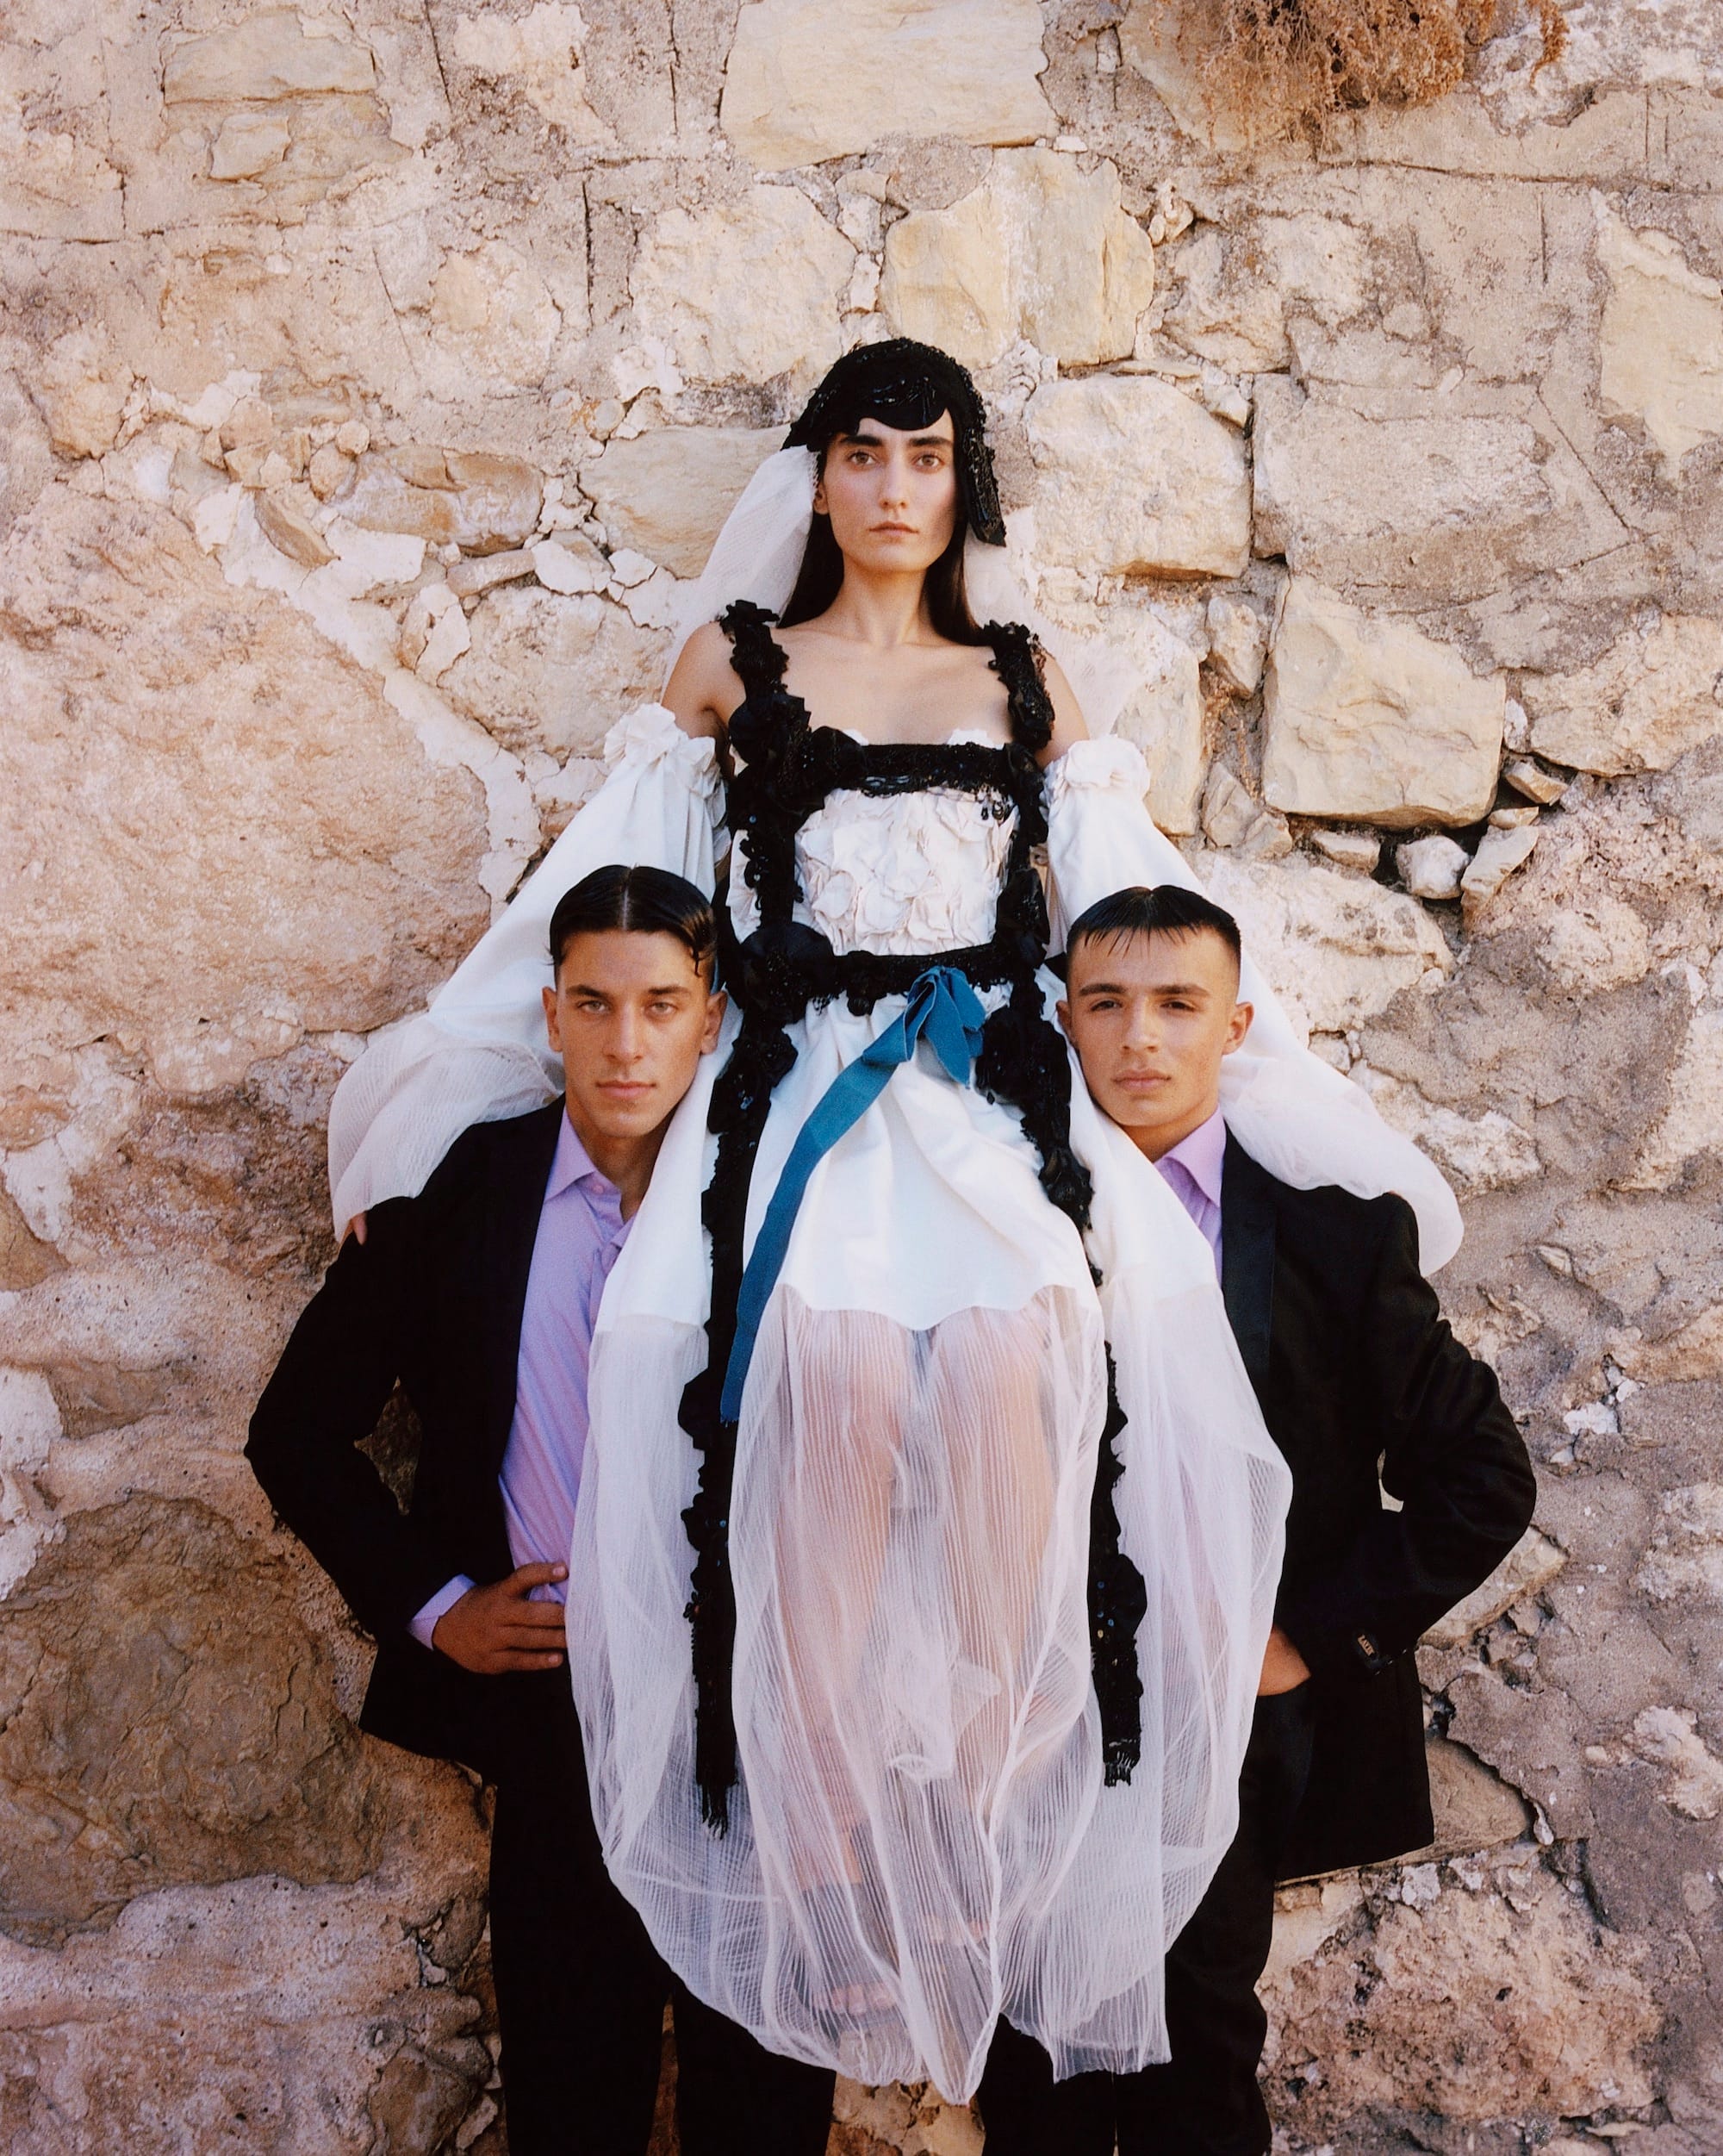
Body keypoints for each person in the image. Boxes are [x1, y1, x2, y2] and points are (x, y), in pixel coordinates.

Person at [320, 338, 1466, 2100]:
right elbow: (614, 897)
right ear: (820, 474)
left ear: (959, 483)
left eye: (924, 458)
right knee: (827, 1390)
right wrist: (444, 1092)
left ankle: (1011, 1778)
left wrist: (1275, 1077)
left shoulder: (1023, 682)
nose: (891, 489)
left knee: (1029, 1370)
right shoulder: (729, 669)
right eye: (861, 454)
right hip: (794, 1095)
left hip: (984, 1090)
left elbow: (1122, 898)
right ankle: (826, 1804)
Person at [246, 866, 836, 2156]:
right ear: (553, 1011)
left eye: (663, 1005)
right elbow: (293, 1429)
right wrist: (436, 1606)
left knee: (769, 2117)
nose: (629, 1043)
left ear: (712, 1015)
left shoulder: (784, 1204)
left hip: (757, 1740)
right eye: (597, 1003)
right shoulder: (464, 1191)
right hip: (556, 1722)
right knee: (573, 2107)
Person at [973, 883, 1538, 2155]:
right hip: (1035, 1722)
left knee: (1195, 2058)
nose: (1141, 1040)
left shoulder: (1338, 1239)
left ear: (1235, 1022)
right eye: (1107, 1004)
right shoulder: (1004, 1222)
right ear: (1065, 1019)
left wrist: (1306, 1640)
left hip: (1230, 1724)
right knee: (1030, 2076)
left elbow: (1485, 1477)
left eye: (1178, 1005)